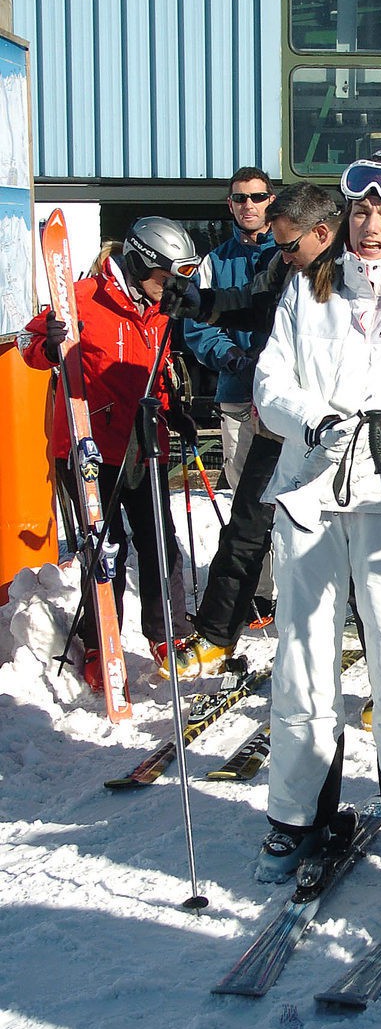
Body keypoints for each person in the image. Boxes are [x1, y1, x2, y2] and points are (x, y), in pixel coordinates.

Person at [251, 148, 381, 883]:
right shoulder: (307, 291)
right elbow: (270, 378)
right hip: (309, 495)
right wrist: (313, 420)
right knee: (304, 659)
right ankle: (296, 814)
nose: (373, 227)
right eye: (363, 212)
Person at [159, 184, 343, 677]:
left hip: (340, 435)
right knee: (245, 531)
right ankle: (217, 636)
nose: (281, 255)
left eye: (289, 245)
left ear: (322, 233)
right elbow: (249, 301)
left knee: (354, 544)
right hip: (279, 424)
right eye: (278, 246)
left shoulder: (358, 279)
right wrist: (200, 302)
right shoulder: (286, 269)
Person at [19, 218, 198, 690]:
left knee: (160, 542)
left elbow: (155, 370)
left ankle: (169, 634)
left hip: (144, 444)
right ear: (140, 262)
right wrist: (49, 346)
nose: (171, 288)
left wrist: (171, 408)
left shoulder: (160, 309)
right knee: (105, 548)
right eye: (165, 277)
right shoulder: (82, 297)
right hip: (88, 446)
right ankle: (101, 640)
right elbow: (27, 343)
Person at [181, 166, 279, 619]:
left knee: (293, 497)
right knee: (247, 497)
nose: (249, 206)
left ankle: (300, 583)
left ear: (270, 199)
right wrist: (233, 358)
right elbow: (196, 326)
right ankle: (255, 592)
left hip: (289, 396)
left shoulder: (290, 251)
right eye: (240, 198)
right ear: (230, 204)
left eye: (257, 197)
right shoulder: (215, 262)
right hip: (240, 393)